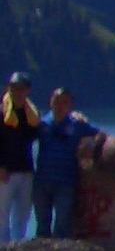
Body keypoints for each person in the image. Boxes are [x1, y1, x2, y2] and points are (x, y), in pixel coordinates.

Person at [31, 87, 103, 240]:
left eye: (64, 102)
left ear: (70, 105)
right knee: (42, 225)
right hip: (42, 181)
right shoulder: (41, 123)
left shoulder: (77, 124)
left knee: (63, 225)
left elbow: (100, 134)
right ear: (50, 102)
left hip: (66, 182)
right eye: (56, 101)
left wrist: (90, 146)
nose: (59, 105)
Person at [0, 72, 35, 242]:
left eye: (22, 89)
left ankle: (18, 248)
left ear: (27, 91)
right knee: (2, 214)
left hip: (26, 169)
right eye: (14, 88)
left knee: (22, 214)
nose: (18, 92)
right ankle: (3, 250)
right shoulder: (2, 111)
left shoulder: (31, 113)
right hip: (5, 171)